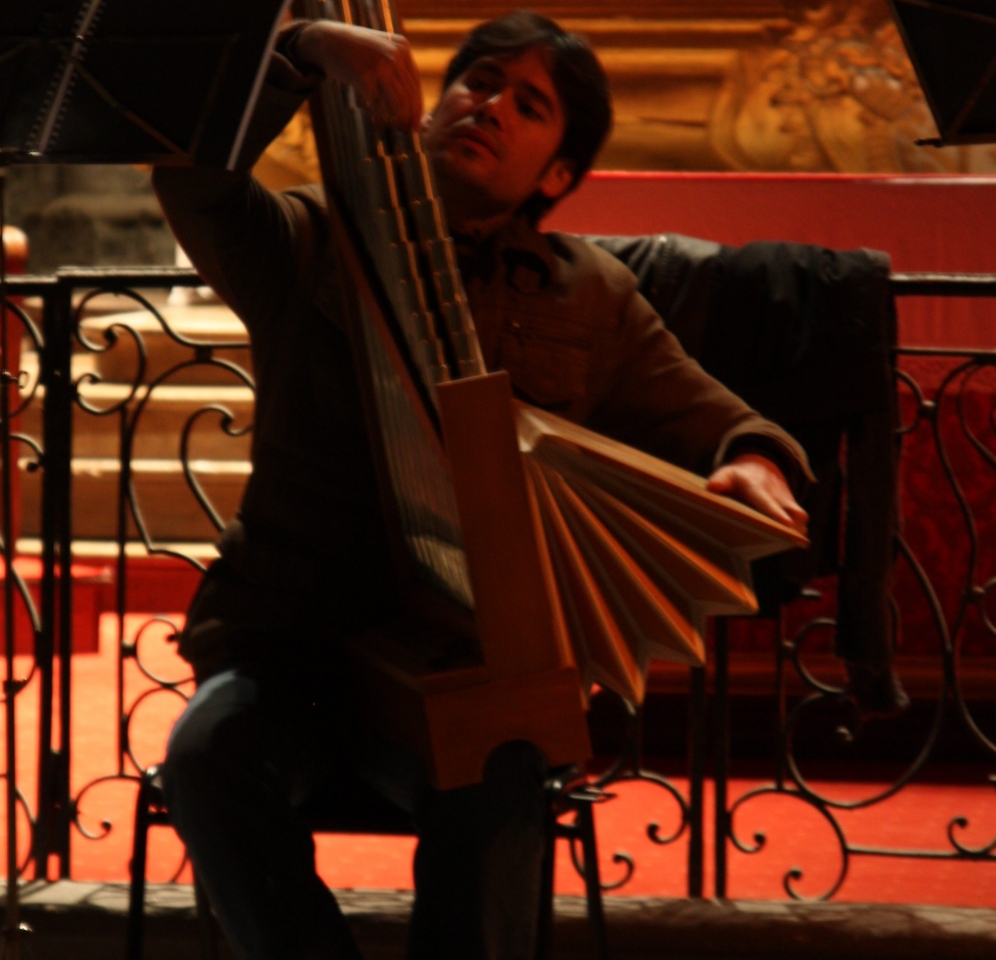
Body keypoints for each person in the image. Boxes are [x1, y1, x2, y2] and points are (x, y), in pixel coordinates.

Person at [153, 12, 810, 960]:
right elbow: (194, 179)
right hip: (288, 647)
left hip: (466, 667)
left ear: (558, 174)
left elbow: (725, 423)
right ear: (429, 108)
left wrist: (756, 459)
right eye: (479, 81)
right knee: (206, 759)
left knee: (504, 780)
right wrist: (299, 52)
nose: (491, 106)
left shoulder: (594, 296)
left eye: (529, 105)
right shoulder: (313, 234)